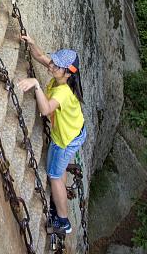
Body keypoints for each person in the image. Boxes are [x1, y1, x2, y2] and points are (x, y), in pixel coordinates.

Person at [17, 35, 86, 235]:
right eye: (54, 62)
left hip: (65, 139)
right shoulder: (61, 73)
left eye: (57, 66)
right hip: (74, 132)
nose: (52, 66)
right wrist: (31, 43)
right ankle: (60, 198)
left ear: (68, 73)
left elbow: (46, 110)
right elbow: (40, 56)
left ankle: (63, 222)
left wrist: (36, 85)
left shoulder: (63, 91)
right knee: (60, 168)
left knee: (54, 175)